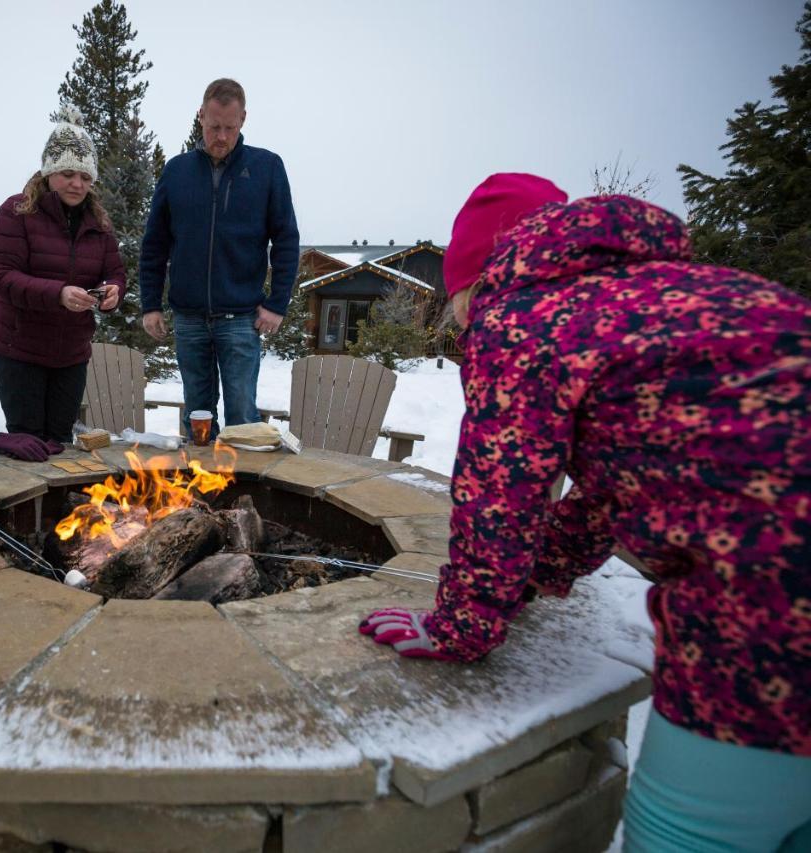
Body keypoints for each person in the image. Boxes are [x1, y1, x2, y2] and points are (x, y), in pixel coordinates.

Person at [360, 173, 811, 851]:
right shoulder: (660, 298)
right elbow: (618, 490)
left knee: (684, 831)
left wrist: (464, 621)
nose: (458, 328)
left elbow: (500, 490)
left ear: (471, 275)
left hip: (771, 602)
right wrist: (542, 571)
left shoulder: (521, 316)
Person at [139, 78, 299, 439]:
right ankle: (196, 495)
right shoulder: (176, 171)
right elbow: (155, 244)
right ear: (200, 118)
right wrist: (151, 304)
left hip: (241, 320)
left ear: (243, 119)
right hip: (189, 319)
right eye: (214, 127)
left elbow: (286, 240)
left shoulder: (267, 167)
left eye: (229, 127)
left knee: (242, 419)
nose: (221, 137)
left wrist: (277, 304)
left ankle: (240, 496)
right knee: (197, 417)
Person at [0, 108, 124, 461]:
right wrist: (57, 294)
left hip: (71, 353)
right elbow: (1, 276)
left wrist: (112, 291)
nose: (78, 184)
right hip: (19, 350)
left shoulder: (99, 224)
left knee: (60, 445)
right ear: (49, 173)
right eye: (67, 174)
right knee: (28, 446)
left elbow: (114, 271)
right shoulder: (16, 212)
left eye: (85, 176)